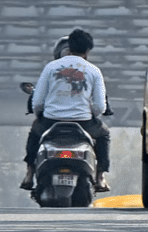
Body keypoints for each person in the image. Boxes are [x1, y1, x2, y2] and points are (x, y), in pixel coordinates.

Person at [21, 29, 111, 192]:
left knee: (35, 133)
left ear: (69, 46)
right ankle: (100, 177)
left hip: (51, 121)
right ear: (88, 50)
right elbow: (100, 106)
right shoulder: (94, 71)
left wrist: (40, 114)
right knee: (103, 134)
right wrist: (91, 113)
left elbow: (38, 101)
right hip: (83, 123)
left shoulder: (51, 67)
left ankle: (29, 173)